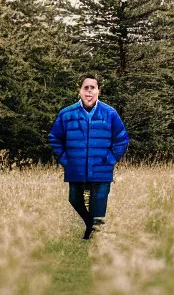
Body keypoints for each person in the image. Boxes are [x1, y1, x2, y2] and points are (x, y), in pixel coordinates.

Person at [49, 74, 129, 239]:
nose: (89, 92)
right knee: (74, 199)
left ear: (98, 91)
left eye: (93, 88)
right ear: (79, 91)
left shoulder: (110, 113)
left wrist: (110, 160)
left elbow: (122, 138)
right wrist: (65, 160)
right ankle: (90, 225)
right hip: (75, 169)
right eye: (86, 88)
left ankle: (95, 239)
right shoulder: (66, 114)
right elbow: (54, 137)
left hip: (101, 169)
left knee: (98, 205)